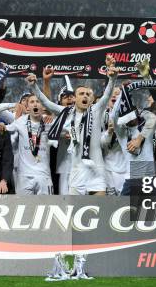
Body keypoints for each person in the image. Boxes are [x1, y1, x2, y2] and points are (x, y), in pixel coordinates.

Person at [27, 55, 118, 195]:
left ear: (91, 99)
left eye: (88, 94)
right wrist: (34, 86)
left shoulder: (96, 110)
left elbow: (107, 95)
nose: (85, 96)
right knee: (74, 213)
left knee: (100, 210)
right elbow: (46, 103)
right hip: (77, 170)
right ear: (74, 98)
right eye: (81, 93)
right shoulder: (67, 112)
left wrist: (112, 78)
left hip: (97, 168)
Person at [6, 95, 54, 195]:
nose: (35, 104)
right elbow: (4, 127)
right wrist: (0, 126)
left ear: (43, 106)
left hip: (44, 175)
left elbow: (69, 128)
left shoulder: (49, 122)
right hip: (24, 175)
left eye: (38, 101)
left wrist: (69, 134)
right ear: (27, 107)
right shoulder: (19, 122)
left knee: (45, 208)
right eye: (32, 102)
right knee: (23, 207)